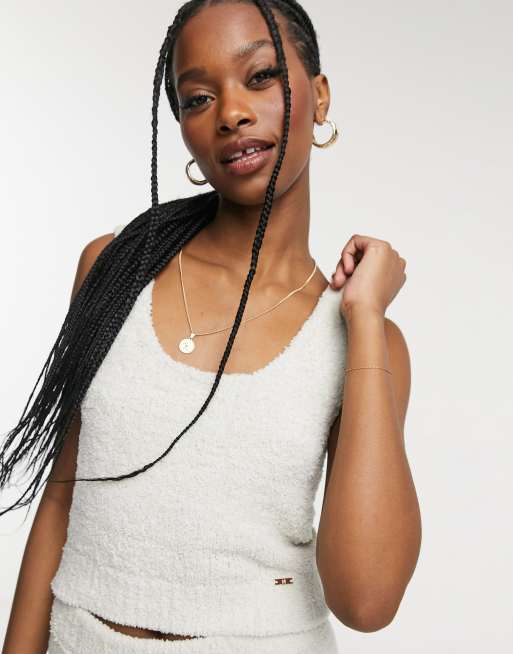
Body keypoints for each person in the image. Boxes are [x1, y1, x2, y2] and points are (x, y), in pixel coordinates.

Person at [1, 0, 421, 652]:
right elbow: (61, 498)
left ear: (319, 95)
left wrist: (364, 321)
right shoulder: (116, 270)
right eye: (198, 98)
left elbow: (366, 601)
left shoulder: (363, 341)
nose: (231, 113)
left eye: (260, 77)